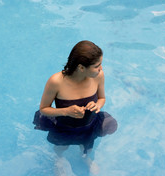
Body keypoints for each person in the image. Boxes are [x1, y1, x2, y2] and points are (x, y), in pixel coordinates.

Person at [33, 40, 117, 174]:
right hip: (64, 126)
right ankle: (58, 159)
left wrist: (97, 105)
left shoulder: (98, 76)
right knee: (61, 146)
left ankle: (86, 158)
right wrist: (66, 111)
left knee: (87, 146)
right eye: (97, 66)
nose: (101, 69)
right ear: (81, 68)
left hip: (89, 124)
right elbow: (44, 109)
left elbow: (102, 98)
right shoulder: (56, 82)